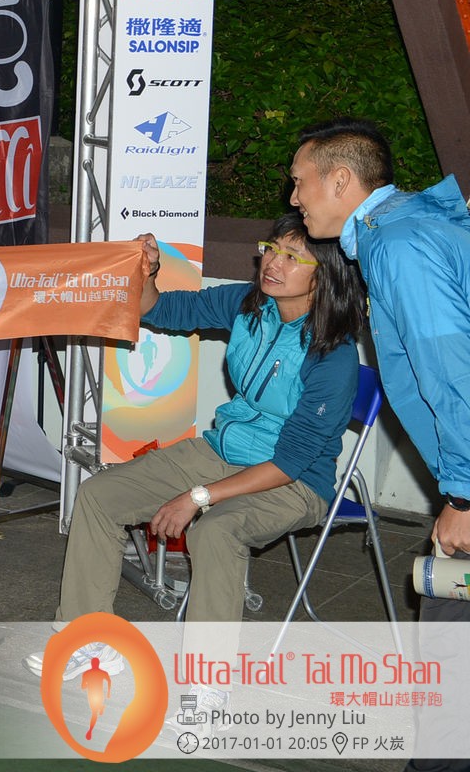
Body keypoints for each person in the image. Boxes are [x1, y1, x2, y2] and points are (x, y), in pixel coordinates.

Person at [28, 211, 363, 685]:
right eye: (272, 248)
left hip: (294, 481)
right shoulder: (249, 305)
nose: (273, 262)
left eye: (293, 257)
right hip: (224, 451)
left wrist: (199, 497)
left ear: (324, 276)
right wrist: (146, 272)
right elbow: (160, 310)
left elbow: (291, 461)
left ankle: (208, 683)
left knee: (216, 531)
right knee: (99, 495)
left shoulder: (333, 355)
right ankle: (86, 639)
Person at [286, 117, 470, 771]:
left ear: (342, 180)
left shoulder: (399, 244)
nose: (293, 198)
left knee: (449, 650)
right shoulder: (406, 228)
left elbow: (451, 372)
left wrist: (464, 495)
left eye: (300, 182)